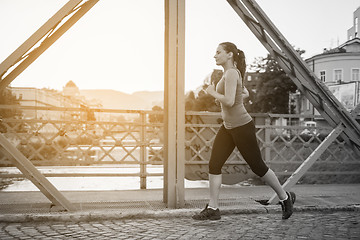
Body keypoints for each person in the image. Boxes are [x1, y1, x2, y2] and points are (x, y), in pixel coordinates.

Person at [192, 42, 295, 221]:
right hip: (228, 126)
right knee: (214, 164)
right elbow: (243, 94)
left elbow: (231, 101)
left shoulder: (231, 73)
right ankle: (213, 208)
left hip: (241, 126)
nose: (214, 56)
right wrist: (221, 100)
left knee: (258, 167)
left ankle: (285, 198)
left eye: (218, 52)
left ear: (229, 54)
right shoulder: (229, 74)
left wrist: (212, 93)